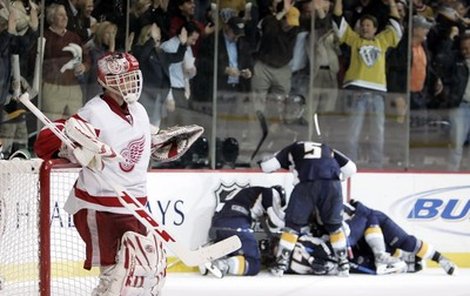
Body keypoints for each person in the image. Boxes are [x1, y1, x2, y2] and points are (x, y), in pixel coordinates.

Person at [34, 51, 203, 295]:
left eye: (133, 76)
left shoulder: (140, 111)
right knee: (116, 279)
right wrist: (71, 138)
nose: (130, 82)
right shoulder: (95, 112)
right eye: (123, 77)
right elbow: (44, 144)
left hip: (135, 205)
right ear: (106, 80)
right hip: (100, 206)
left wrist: (157, 144)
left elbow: (137, 150)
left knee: (145, 275)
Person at [259, 141, 357, 276]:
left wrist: (263, 162)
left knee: (292, 226)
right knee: (335, 225)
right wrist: (338, 179)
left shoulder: (292, 148)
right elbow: (351, 169)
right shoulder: (327, 148)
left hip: (307, 184)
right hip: (332, 184)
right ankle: (343, 264)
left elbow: (267, 167)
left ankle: (281, 264)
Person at [285, 200, 458, 276]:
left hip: (374, 221)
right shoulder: (314, 212)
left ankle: (441, 259)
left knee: (406, 241)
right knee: (366, 260)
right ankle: (393, 258)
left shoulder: (338, 208)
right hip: (362, 237)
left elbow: (366, 217)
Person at [332, 0, 402, 168]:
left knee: (378, 133)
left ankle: (376, 166)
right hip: (356, 92)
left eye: (368, 25)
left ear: (375, 29)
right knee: (352, 133)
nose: (365, 27)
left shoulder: (382, 41)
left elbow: (396, 28)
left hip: (377, 93)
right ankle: (351, 165)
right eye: (363, 25)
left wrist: (392, 4)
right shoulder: (354, 40)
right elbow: (338, 20)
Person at [200, 185, 286, 278]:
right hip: (237, 223)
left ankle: (211, 253)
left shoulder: (248, 193)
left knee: (234, 252)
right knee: (254, 263)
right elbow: (275, 221)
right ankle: (222, 265)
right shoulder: (272, 192)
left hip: (217, 225)